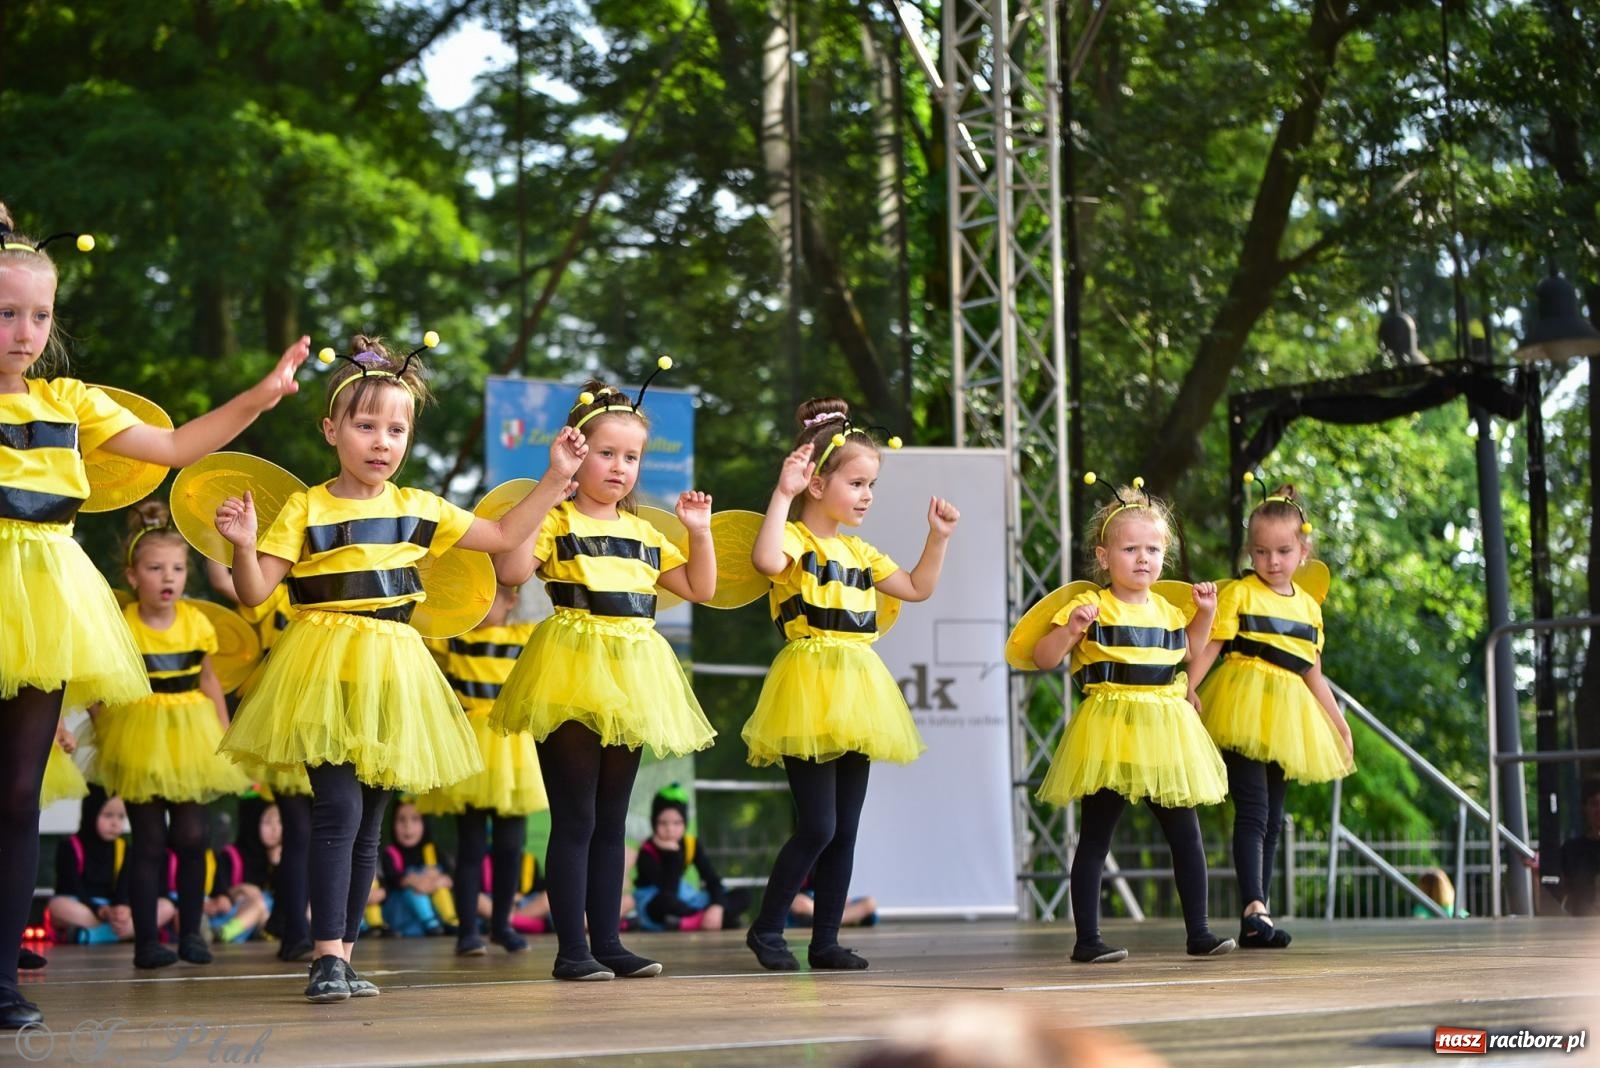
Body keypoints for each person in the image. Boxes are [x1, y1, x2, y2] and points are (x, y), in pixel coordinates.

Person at [0, 201, 308, 1028]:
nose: (25, 333)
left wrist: (260, 396)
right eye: (6, 313)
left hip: (40, 605)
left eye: (40, 315)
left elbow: (173, 449)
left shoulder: (70, 403)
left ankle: (2, 980)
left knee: (18, 793)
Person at [212, 333, 581, 1003]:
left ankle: (344, 955)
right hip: (322, 673)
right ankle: (325, 957)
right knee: (338, 808)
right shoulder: (307, 507)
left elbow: (503, 539)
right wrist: (242, 545)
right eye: (366, 426)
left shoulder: (418, 509)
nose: (382, 442)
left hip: (393, 674)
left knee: (369, 824)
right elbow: (256, 590)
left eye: (396, 430)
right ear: (332, 430)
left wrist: (555, 481)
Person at [490, 369, 718, 982]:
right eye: (606, 453)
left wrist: (699, 534)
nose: (620, 467)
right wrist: (550, 486)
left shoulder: (645, 533)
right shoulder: (558, 521)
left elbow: (700, 587)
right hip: (568, 671)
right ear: (579, 453)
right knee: (577, 818)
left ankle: (609, 942)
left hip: (631, 676)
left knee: (613, 820)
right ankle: (573, 950)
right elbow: (512, 570)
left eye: (632, 457)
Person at [741, 399, 959, 972]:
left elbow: (916, 588)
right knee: (818, 824)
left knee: (844, 830)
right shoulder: (795, 540)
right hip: (808, 688)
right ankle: (767, 928)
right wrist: (782, 493)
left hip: (859, 691)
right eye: (857, 483)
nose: (867, 496)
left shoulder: (862, 553)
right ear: (817, 485)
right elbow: (765, 560)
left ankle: (826, 941)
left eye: (871, 486)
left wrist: (937, 538)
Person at [1029, 478, 1233, 963]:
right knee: (1096, 835)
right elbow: (1042, 657)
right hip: (1111, 732)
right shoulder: (1091, 608)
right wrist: (1071, 630)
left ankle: (1199, 932)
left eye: (1153, 550)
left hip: (1164, 732)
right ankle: (1087, 940)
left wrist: (1205, 614)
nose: (1143, 559)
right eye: (1130, 549)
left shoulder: (1169, 609)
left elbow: (1189, 652)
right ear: (1104, 558)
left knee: (1186, 833)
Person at [1188, 483, 1353, 949]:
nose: (1272, 561)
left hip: (1288, 718)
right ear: (1250, 551)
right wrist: (1188, 688)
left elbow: (1312, 672)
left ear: (1303, 552)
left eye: (1283, 551)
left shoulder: (1309, 608)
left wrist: (1339, 725)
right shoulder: (1241, 593)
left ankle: (1256, 915)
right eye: (1261, 551)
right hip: (1241, 706)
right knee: (1254, 808)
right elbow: (1213, 647)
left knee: (1274, 818)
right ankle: (1254, 906)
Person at [90, 502, 251, 969]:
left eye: (177, 569)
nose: (168, 577)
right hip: (139, 734)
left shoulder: (196, 622)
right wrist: (107, 738)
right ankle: (146, 942)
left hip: (190, 734)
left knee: (192, 835)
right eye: (156, 568)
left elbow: (209, 680)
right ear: (133, 576)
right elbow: (101, 689)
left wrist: (223, 730)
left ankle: (192, 934)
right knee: (148, 842)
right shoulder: (124, 626)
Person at [418, 582, 547, 955]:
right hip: (470, 748)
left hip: (511, 749)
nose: (480, 606)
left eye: (489, 599)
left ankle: (502, 924)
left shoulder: (524, 638)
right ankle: (467, 930)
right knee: (471, 846)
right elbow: (425, 629)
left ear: (511, 601)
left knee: (510, 846)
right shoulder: (455, 641)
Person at [204, 561, 313, 961]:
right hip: (285, 720)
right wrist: (210, 535)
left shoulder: (336, 590)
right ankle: (296, 931)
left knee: (323, 830)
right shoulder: (274, 593)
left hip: (330, 717)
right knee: (299, 831)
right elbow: (222, 579)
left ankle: (289, 920)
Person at [633, 784, 748, 932]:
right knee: (663, 903)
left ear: (685, 823)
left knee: (743, 895)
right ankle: (713, 921)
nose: (670, 829)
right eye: (663, 823)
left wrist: (717, 906)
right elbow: (668, 890)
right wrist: (673, 854)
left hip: (686, 901)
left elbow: (712, 880)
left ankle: (695, 921)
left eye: (677, 823)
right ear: (654, 823)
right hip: (657, 901)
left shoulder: (691, 844)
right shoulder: (647, 851)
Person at [45, 786, 141, 945]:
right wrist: (99, 910)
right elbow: (71, 888)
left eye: (121, 817)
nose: (115, 823)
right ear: (91, 813)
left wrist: (122, 908)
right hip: (83, 906)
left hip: (110, 910)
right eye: (108, 815)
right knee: (57, 906)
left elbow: (124, 889)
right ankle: (112, 934)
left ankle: (92, 935)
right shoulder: (70, 846)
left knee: (148, 911)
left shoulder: (124, 849)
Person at [379, 798, 459, 937]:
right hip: (401, 914)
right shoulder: (391, 853)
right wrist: (411, 881)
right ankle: (430, 924)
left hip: (434, 904)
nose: (408, 826)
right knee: (414, 890)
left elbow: (451, 875)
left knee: (442, 888)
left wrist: (439, 881)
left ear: (424, 823)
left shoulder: (431, 850)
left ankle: (450, 921)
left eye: (415, 819)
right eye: (401, 820)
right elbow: (391, 879)